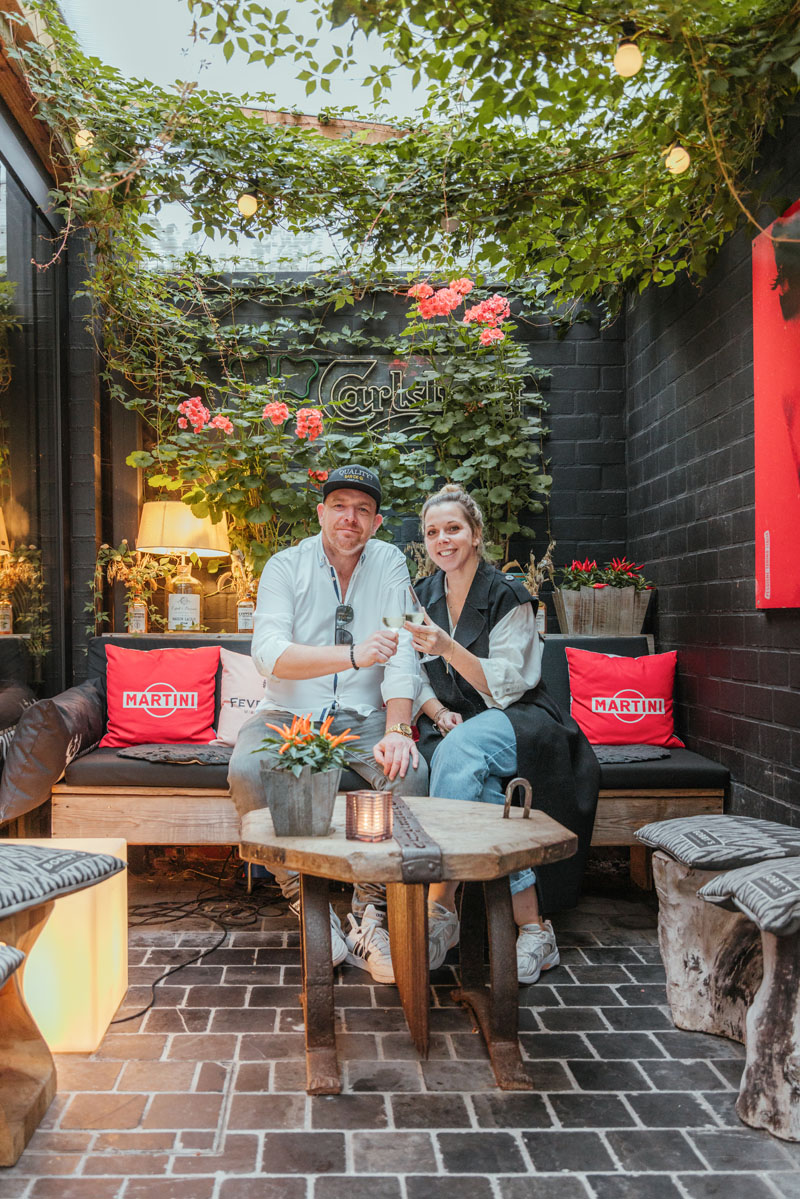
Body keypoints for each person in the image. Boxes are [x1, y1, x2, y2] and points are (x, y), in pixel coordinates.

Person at [228, 465, 429, 983]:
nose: (350, 517)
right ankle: (304, 897)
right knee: (249, 771)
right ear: (320, 513)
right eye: (339, 505)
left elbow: (402, 645)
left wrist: (399, 728)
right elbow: (269, 655)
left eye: (363, 509)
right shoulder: (284, 567)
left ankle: (372, 913)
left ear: (378, 522)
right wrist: (353, 655)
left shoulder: (388, 563)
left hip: (363, 716)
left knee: (410, 773)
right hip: (287, 714)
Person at [407, 484, 600, 984]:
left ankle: (440, 911)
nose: (442, 540)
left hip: (520, 718)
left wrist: (450, 648)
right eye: (432, 532)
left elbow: (511, 684)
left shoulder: (509, 595)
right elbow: (407, 671)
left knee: (461, 749)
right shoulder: (419, 595)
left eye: (453, 529)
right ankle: (534, 929)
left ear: (474, 534)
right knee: (484, 785)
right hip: (451, 721)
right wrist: (434, 709)